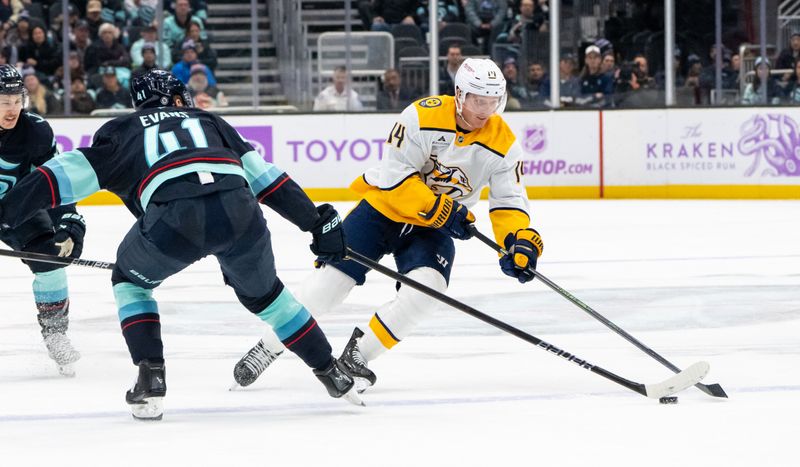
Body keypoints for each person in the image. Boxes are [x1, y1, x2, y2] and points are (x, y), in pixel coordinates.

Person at [0, 69, 362, 420]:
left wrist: (6, 213)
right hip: (242, 216)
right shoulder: (211, 121)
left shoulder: (123, 130)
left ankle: (151, 376)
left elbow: (58, 176)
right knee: (269, 298)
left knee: (131, 282)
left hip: (175, 222)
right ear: (175, 97)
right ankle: (332, 372)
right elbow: (268, 180)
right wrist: (315, 222)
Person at [231, 58, 543, 392]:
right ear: (459, 94)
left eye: (493, 101)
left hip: (433, 228)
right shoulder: (421, 115)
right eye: (478, 100)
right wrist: (441, 207)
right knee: (329, 286)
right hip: (384, 209)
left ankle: (358, 354)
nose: (485, 110)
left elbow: (509, 201)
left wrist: (518, 240)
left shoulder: (504, 143)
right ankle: (269, 345)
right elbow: (396, 177)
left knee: (428, 290)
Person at [0, 65, 86, 377]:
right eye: (4, 101)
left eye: (16, 100)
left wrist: (69, 222)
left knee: (50, 260)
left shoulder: (34, 131)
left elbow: (54, 181)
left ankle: (55, 332)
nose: (12, 109)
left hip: (18, 211)